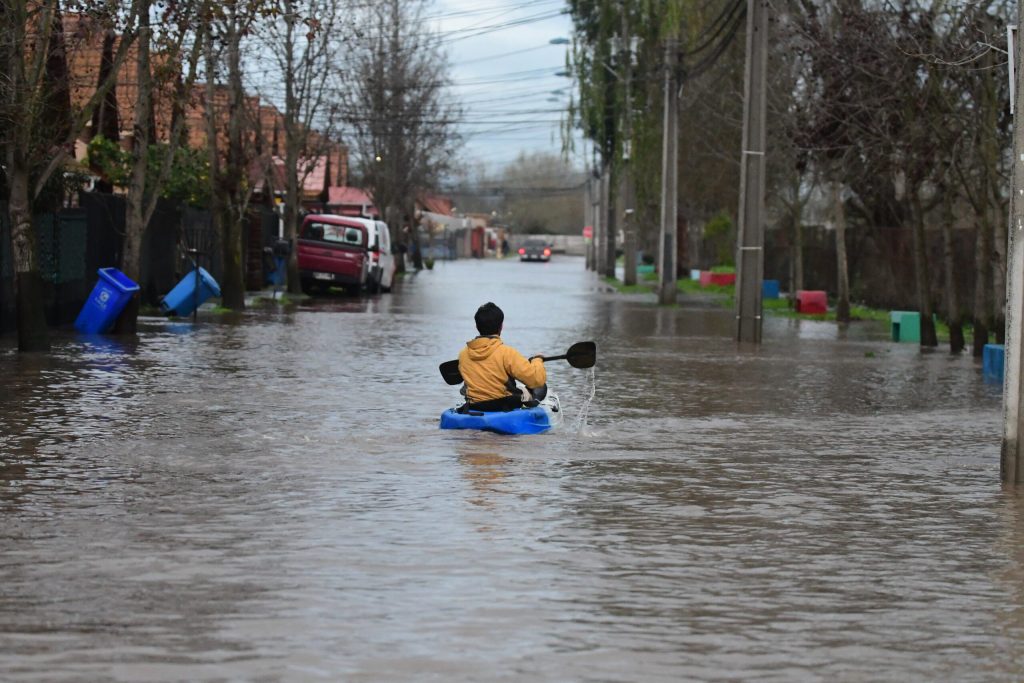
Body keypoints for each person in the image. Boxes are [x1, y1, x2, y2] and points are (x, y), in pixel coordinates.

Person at [458, 302, 547, 411]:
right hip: (503, 405)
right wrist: (537, 360)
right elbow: (536, 380)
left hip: (475, 405)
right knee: (541, 387)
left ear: (477, 326)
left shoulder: (463, 354)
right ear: (501, 327)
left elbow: (464, 388)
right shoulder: (507, 352)